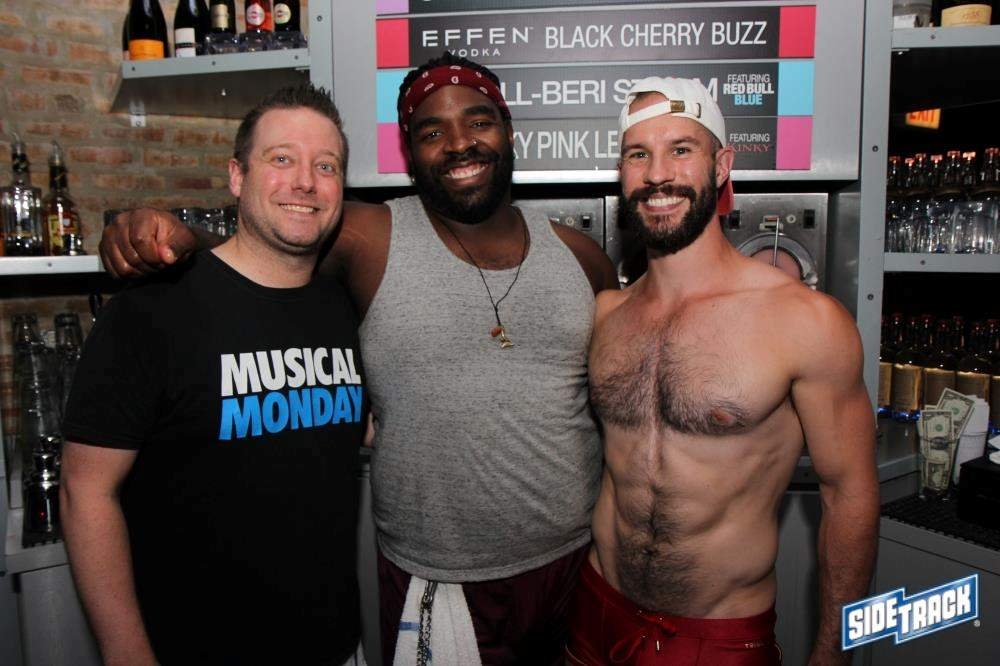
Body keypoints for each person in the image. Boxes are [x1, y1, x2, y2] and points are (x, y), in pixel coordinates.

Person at [99, 52, 619, 665]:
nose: (459, 143)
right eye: (431, 132)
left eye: (478, 121)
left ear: (508, 130)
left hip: (577, 569)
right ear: (409, 152)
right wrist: (172, 236)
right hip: (442, 581)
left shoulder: (582, 257)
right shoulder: (371, 237)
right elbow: (269, 242)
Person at [566, 77, 880, 666]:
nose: (658, 175)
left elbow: (850, 496)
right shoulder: (607, 314)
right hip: (596, 606)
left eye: (681, 149)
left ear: (721, 165)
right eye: (638, 155)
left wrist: (833, 653)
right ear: (622, 173)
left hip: (716, 636)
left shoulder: (805, 321)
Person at [61, 84, 368, 666]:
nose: (305, 182)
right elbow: (86, 490)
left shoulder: (339, 307)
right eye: (282, 159)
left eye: (325, 166)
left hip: (334, 646)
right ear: (236, 176)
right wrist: (126, 653)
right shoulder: (151, 311)